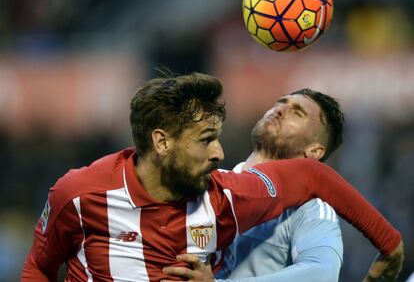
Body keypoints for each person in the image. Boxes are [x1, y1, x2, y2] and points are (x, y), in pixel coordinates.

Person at [22, 72, 402, 282]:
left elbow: (311, 177)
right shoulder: (78, 193)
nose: (219, 153)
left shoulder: (224, 198)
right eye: (206, 140)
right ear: (163, 141)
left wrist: (390, 244)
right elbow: (40, 265)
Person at [162, 89, 403, 282]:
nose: (278, 110)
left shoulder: (309, 207)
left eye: (297, 113)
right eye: (280, 103)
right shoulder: (213, 182)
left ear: (314, 151)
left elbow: (322, 274)